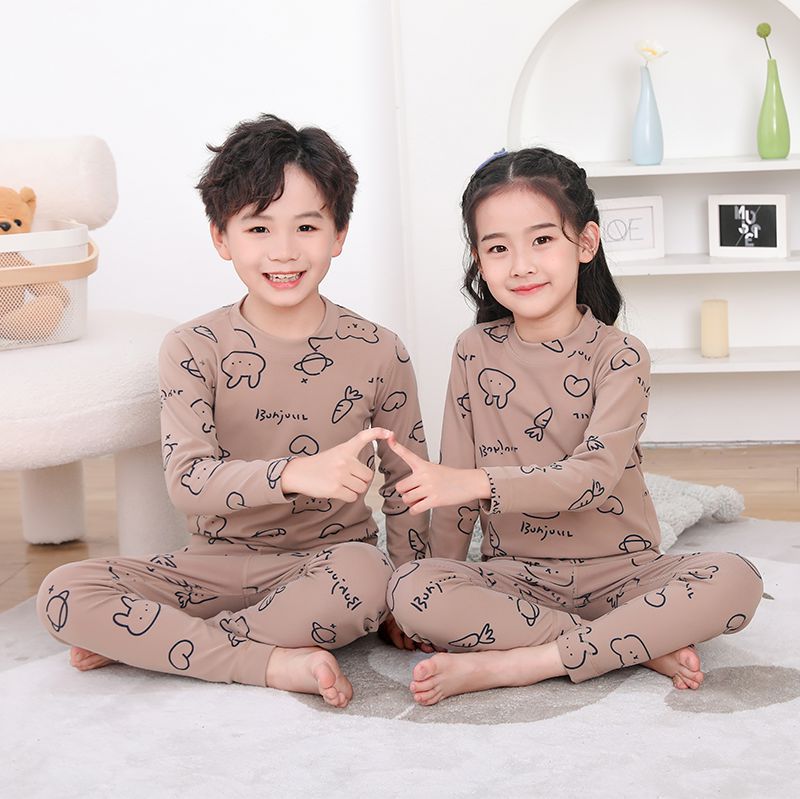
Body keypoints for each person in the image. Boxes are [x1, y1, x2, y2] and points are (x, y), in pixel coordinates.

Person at [36, 114, 429, 708]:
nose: (284, 251)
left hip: (330, 565)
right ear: (222, 238)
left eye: (307, 226)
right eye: (258, 227)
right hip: (211, 569)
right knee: (64, 591)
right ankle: (268, 661)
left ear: (339, 234)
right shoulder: (192, 347)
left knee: (368, 581)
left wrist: (407, 593)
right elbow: (188, 482)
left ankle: (166, 644)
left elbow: (408, 486)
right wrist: (296, 473)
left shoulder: (379, 349)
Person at [385, 147, 763, 706]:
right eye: (498, 248)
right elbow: (453, 484)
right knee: (409, 588)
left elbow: (593, 476)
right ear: (479, 260)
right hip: (517, 579)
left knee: (737, 580)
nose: (521, 265)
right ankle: (629, 644)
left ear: (585, 243)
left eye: (542, 240)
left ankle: (525, 663)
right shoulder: (473, 349)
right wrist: (436, 580)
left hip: (624, 575)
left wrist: (475, 483)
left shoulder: (621, 355)